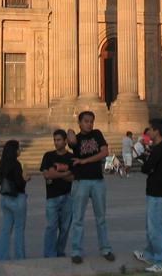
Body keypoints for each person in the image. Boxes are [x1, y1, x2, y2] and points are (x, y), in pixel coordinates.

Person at [67, 110, 114, 264]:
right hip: (81, 182)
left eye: (91, 121)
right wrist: (70, 130)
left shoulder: (97, 134)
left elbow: (104, 152)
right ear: (80, 123)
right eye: (86, 121)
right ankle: (76, 251)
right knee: (78, 218)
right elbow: (71, 141)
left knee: (101, 218)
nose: (89, 124)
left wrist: (85, 161)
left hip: (97, 181)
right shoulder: (76, 139)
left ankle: (105, 248)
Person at [134, 117, 162, 274]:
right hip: (155, 192)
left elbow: (147, 168)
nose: (148, 132)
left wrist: (145, 161)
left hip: (158, 193)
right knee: (151, 226)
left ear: (156, 131)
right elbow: (151, 166)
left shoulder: (160, 148)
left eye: (150, 129)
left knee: (156, 228)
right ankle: (151, 254)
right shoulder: (161, 147)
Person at [40, 129, 75, 258]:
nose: (56, 142)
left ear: (65, 141)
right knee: (51, 227)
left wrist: (56, 175)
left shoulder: (71, 157)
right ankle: (49, 254)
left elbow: (73, 178)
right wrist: (66, 173)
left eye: (59, 140)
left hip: (68, 196)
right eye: (54, 140)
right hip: (52, 197)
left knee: (65, 228)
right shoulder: (48, 156)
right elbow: (47, 175)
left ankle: (59, 252)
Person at [0, 140, 29, 260]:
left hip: (5, 199)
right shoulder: (16, 164)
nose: (19, 150)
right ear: (14, 150)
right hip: (17, 198)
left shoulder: (1, 163)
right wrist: (25, 178)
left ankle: (2, 256)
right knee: (19, 229)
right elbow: (20, 184)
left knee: (6, 229)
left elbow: (0, 182)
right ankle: (20, 256)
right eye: (18, 148)